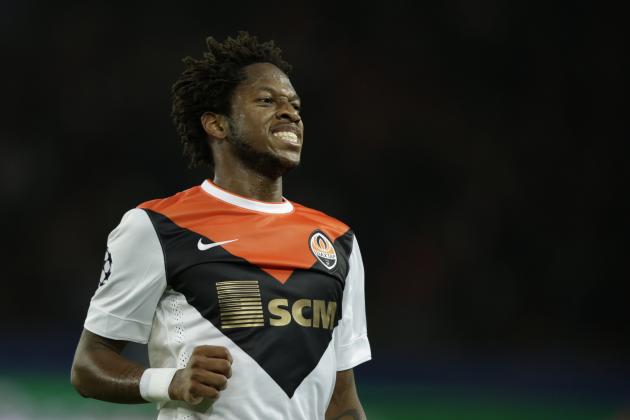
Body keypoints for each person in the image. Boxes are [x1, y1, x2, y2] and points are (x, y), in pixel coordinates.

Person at [71, 32, 371, 420]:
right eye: (267, 101)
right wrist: (170, 381)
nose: (290, 113)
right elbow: (89, 366)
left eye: (294, 105)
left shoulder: (337, 240)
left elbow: (342, 402)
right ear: (216, 124)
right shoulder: (158, 227)